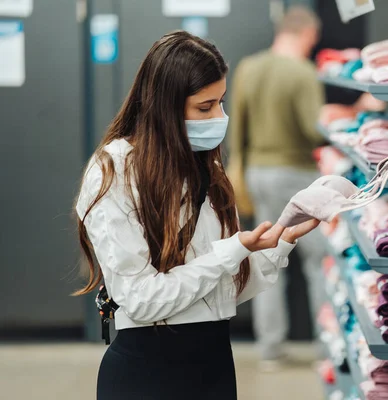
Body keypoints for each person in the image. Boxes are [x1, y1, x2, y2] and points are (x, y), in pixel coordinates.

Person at [73, 31, 320, 400]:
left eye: (221, 103)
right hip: (147, 373)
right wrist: (231, 252)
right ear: (164, 106)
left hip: (214, 366)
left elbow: (218, 295)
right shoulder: (115, 171)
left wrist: (280, 244)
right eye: (205, 108)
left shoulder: (206, 169)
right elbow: (141, 300)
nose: (219, 118)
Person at [227, 5, 328, 370]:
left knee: (266, 256)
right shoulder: (302, 72)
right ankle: (327, 345)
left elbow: (237, 126)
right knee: (319, 260)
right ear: (306, 35)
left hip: (257, 171)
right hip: (296, 173)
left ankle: (270, 348)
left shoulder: (249, 68)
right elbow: (313, 129)